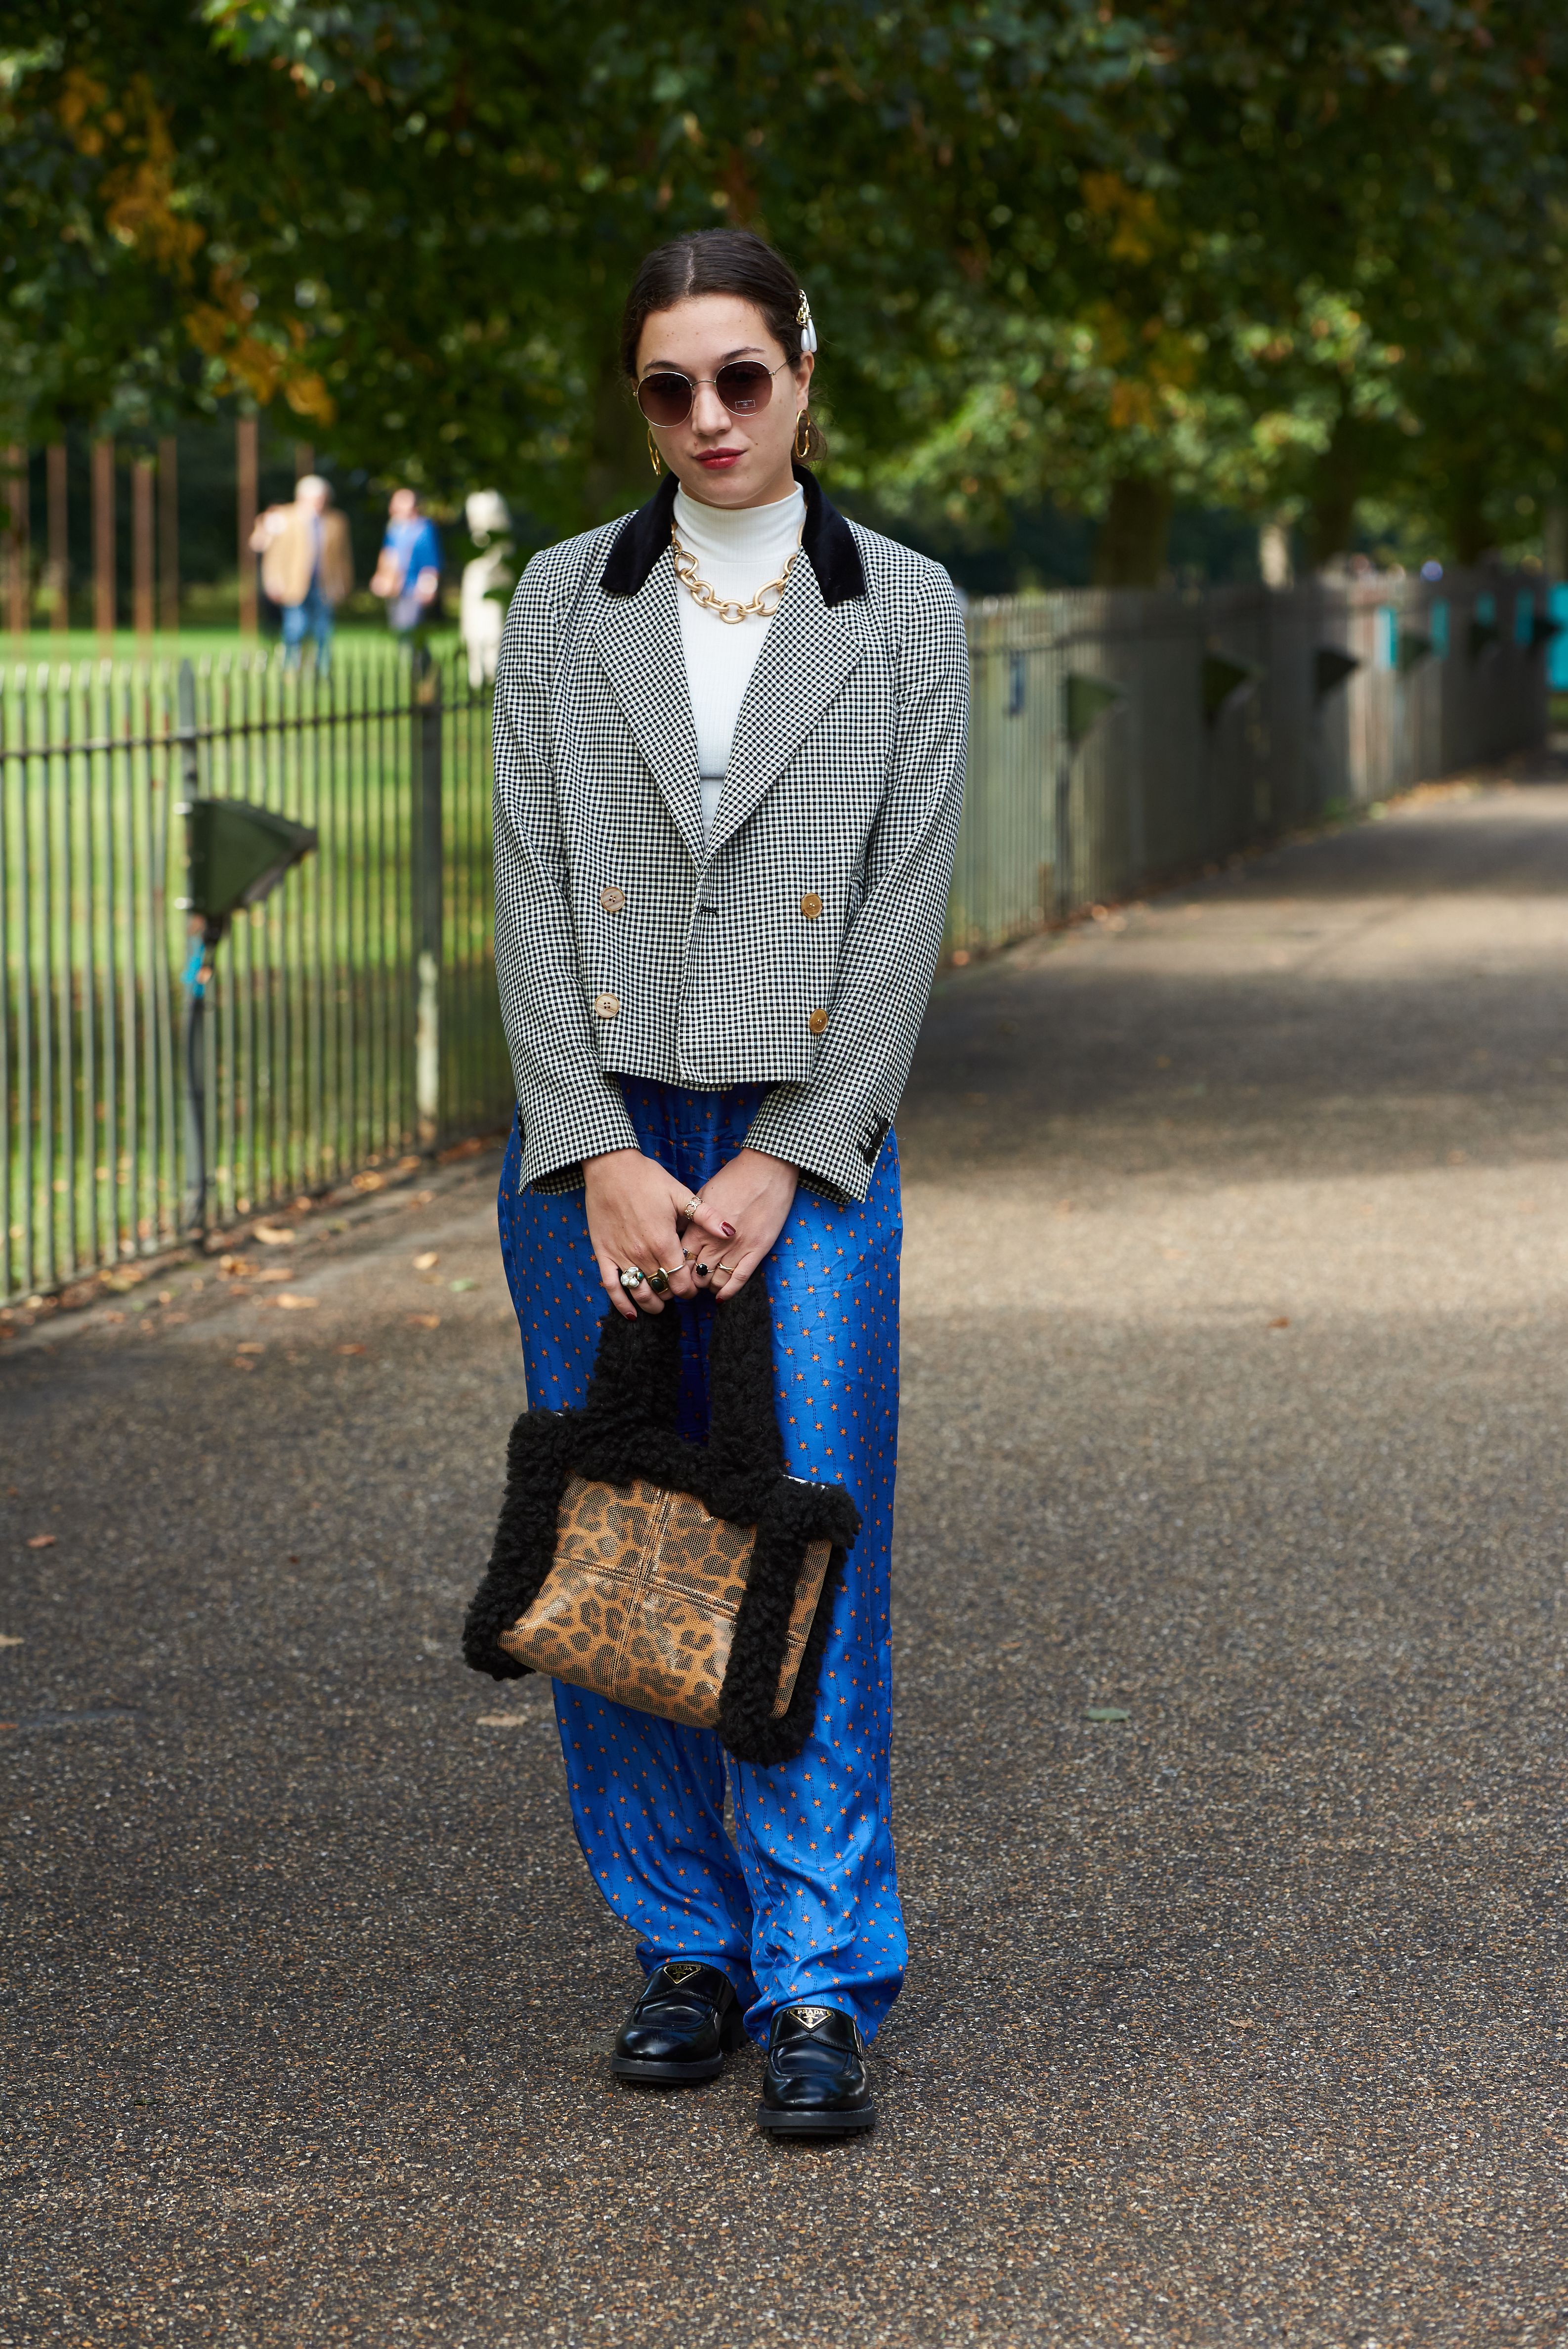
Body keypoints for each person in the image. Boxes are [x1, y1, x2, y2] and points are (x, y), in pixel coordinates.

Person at [491, 228, 968, 2137]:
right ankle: (679, 1939)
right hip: (587, 1138)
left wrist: (786, 1155)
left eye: (739, 378)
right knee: (613, 1530)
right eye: (667, 386)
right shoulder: (557, 598)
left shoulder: (908, 608)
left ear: (803, 368)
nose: (706, 418)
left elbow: (907, 907)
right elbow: (525, 886)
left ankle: (817, 1975)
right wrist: (593, 1146)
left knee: (804, 1538)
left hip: (809, 1141)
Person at [250, 475, 353, 670]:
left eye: (322, 498)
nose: (319, 503)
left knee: (324, 630)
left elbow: (343, 556)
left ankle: (323, 669)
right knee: (295, 627)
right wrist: (273, 580)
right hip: (294, 584)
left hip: (325, 585)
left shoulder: (336, 521)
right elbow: (273, 554)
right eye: (315, 499)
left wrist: (344, 582)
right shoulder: (284, 517)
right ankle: (291, 667)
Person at [459, 489, 514, 688]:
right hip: (477, 578)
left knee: (494, 625)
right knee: (474, 627)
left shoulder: (501, 541)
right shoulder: (475, 545)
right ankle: (477, 674)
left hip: (494, 577)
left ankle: (493, 673)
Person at [370, 487, 442, 637]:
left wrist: (428, 587)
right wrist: (381, 577)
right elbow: (388, 554)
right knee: (399, 627)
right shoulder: (394, 527)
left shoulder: (424, 528)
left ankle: (420, 660)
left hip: (414, 586)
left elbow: (430, 561)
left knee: (411, 628)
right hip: (395, 585)